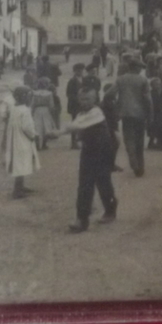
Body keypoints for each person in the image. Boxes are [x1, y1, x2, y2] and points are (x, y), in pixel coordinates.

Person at [59, 88, 118, 233]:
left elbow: (76, 125)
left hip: (102, 151)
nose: (84, 102)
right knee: (85, 184)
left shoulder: (96, 112)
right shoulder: (81, 114)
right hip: (88, 151)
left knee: (103, 182)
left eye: (88, 99)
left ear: (95, 100)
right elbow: (77, 124)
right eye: (82, 99)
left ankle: (110, 209)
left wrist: (57, 133)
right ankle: (82, 219)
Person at [115, 58, 152, 177]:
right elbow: (148, 99)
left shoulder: (120, 79)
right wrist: (150, 114)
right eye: (140, 67)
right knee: (139, 141)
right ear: (136, 68)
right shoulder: (143, 80)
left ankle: (132, 158)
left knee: (129, 138)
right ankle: (140, 168)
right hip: (140, 115)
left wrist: (116, 107)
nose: (141, 69)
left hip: (126, 114)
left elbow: (110, 94)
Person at [3, 86, 40, 200]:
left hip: (15, 139)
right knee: (21, 164)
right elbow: (27, 127)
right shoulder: (25, 110)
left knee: (20, 163)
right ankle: (17, 190)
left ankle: (20, 186)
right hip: (23, 139)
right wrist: (33, 135)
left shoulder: (14, 108)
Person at [31, 77, 58, 150]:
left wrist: (32, 112)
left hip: (37, 110)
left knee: (38, 127)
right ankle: (43, 144)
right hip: (46, 111)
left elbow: (33, 104)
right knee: (46, 127)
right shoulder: (49, 93)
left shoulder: (35, 93)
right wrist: (52, 112)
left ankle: (37, 145)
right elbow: (51, 105)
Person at [101, 83, 122, 172]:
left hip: (112, 126)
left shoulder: (112, 100)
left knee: (114, 145)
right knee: (113, 145)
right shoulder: (107, 102)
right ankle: (110, 164)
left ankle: (110, 164)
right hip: (109, 127)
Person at [66, 63, 85, 149]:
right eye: (78, 70)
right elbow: (69, 94)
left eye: (81, 70)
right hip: (75, 106)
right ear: (74, 71)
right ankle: (73, 143)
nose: (80, 72)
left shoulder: (85, 79)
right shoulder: (72, 81)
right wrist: (78, 99)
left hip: (84, 105)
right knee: (75, 123)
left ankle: (84, 141)